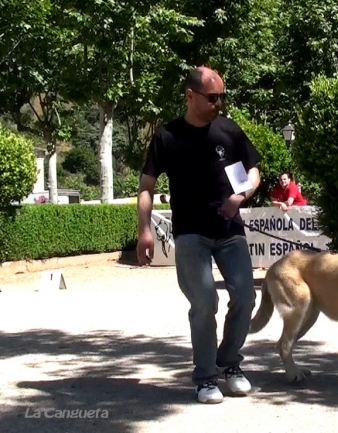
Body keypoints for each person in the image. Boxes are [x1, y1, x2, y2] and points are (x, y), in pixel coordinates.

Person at [136, 66, 262, 404]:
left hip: (230, 230)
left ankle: (230, 364)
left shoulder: (229, 131)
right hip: (191, 233)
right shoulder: (167, 136)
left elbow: (253, 171)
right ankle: (206, 377)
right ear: (190, 96)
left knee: (246, 297)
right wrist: (145, 230)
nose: (218, 103)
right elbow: (147, 186)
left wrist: (242, 196)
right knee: (205, 302)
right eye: (212, 97)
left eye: (221, 96)